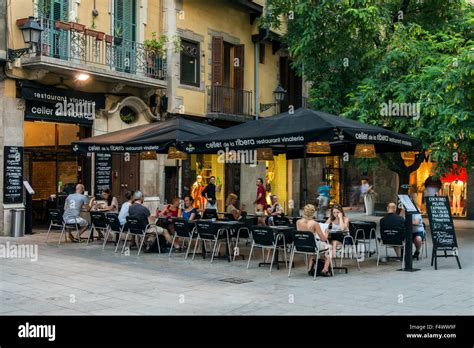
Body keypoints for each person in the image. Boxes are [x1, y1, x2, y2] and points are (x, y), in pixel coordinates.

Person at [296, 204, 332, 277]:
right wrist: (327, 232)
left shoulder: (298, 222)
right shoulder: (315, 224)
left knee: (312, 249)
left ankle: (310, 269)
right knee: (330, 247)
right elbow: (324, 239)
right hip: (313, 245)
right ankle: (325, 270)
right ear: (313, 212)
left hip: (301, 245)